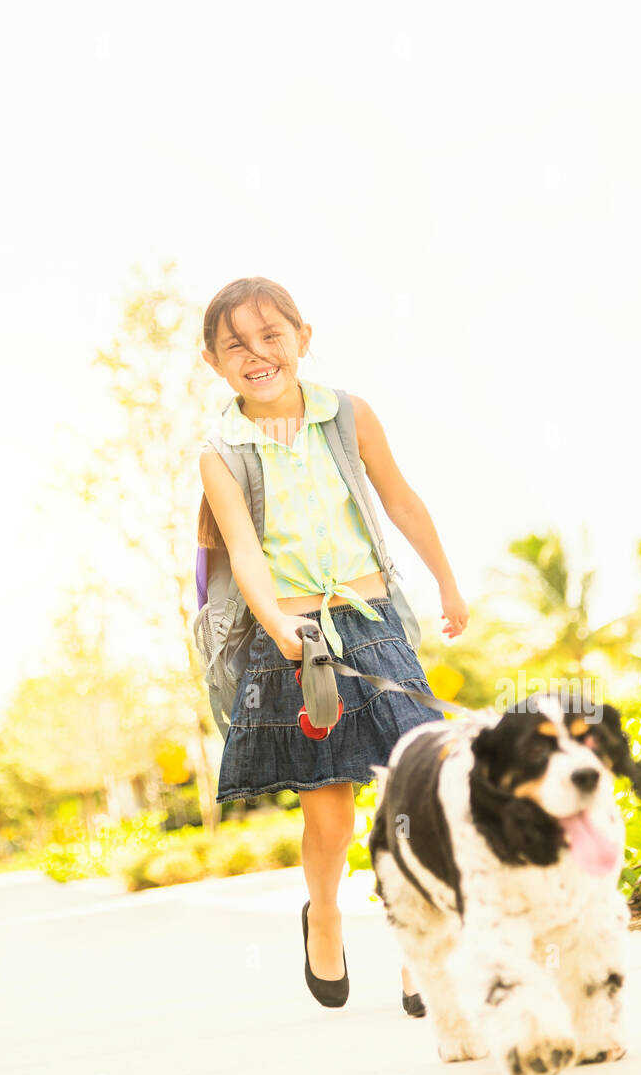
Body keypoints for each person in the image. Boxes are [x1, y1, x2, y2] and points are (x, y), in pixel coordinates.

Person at [198, 276, 469, 1010]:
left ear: (302, 337)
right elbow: (245, 554)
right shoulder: (221, 451)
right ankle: (323, 911)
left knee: (420, 789)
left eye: (271, 336)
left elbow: (400, 498)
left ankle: (420, 940)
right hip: (296, 642)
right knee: (330, 812)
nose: (257, 355)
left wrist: (445, 581)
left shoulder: (346, 415)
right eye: (237, 345)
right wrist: (279, 626)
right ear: (213, 361)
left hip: (373, 623)